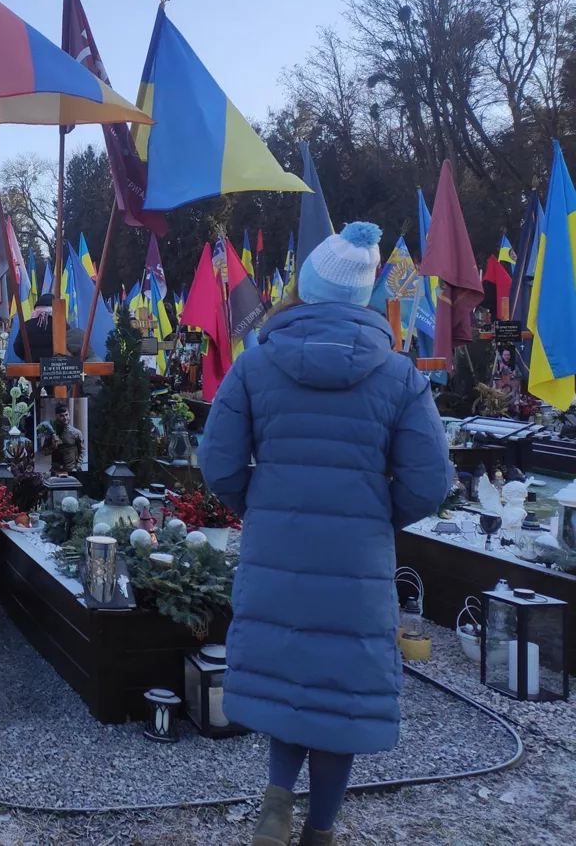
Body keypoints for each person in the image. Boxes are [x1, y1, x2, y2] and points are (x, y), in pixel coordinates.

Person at [198, 222, 451, 846]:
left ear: (305, 287)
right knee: (341, 686)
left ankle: (276, 801)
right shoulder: (400, 375)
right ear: (365, 297)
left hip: (276, 549)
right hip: (356, 560)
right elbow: (429, 482)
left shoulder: (256, 366)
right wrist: (375, 513)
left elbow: (218, 464)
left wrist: (261, 503)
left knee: (290, 671)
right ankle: (321, 829)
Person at [13, 293, 82, 360]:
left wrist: (29, 359)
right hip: (56, 366)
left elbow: (18, 348)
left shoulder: (26, 325)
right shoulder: (63, 325)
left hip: (32, 365)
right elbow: (71, 346)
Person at [40, 402, 83, 475]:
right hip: (55, 469)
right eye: (62, 416)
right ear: (57, 416)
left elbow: (82, 450)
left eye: (66, 415)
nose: (65, 418)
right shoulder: (51, 433)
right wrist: (53, 447)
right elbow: (44, 452)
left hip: (72, 469)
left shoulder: (76, 433)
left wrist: (78, 466)